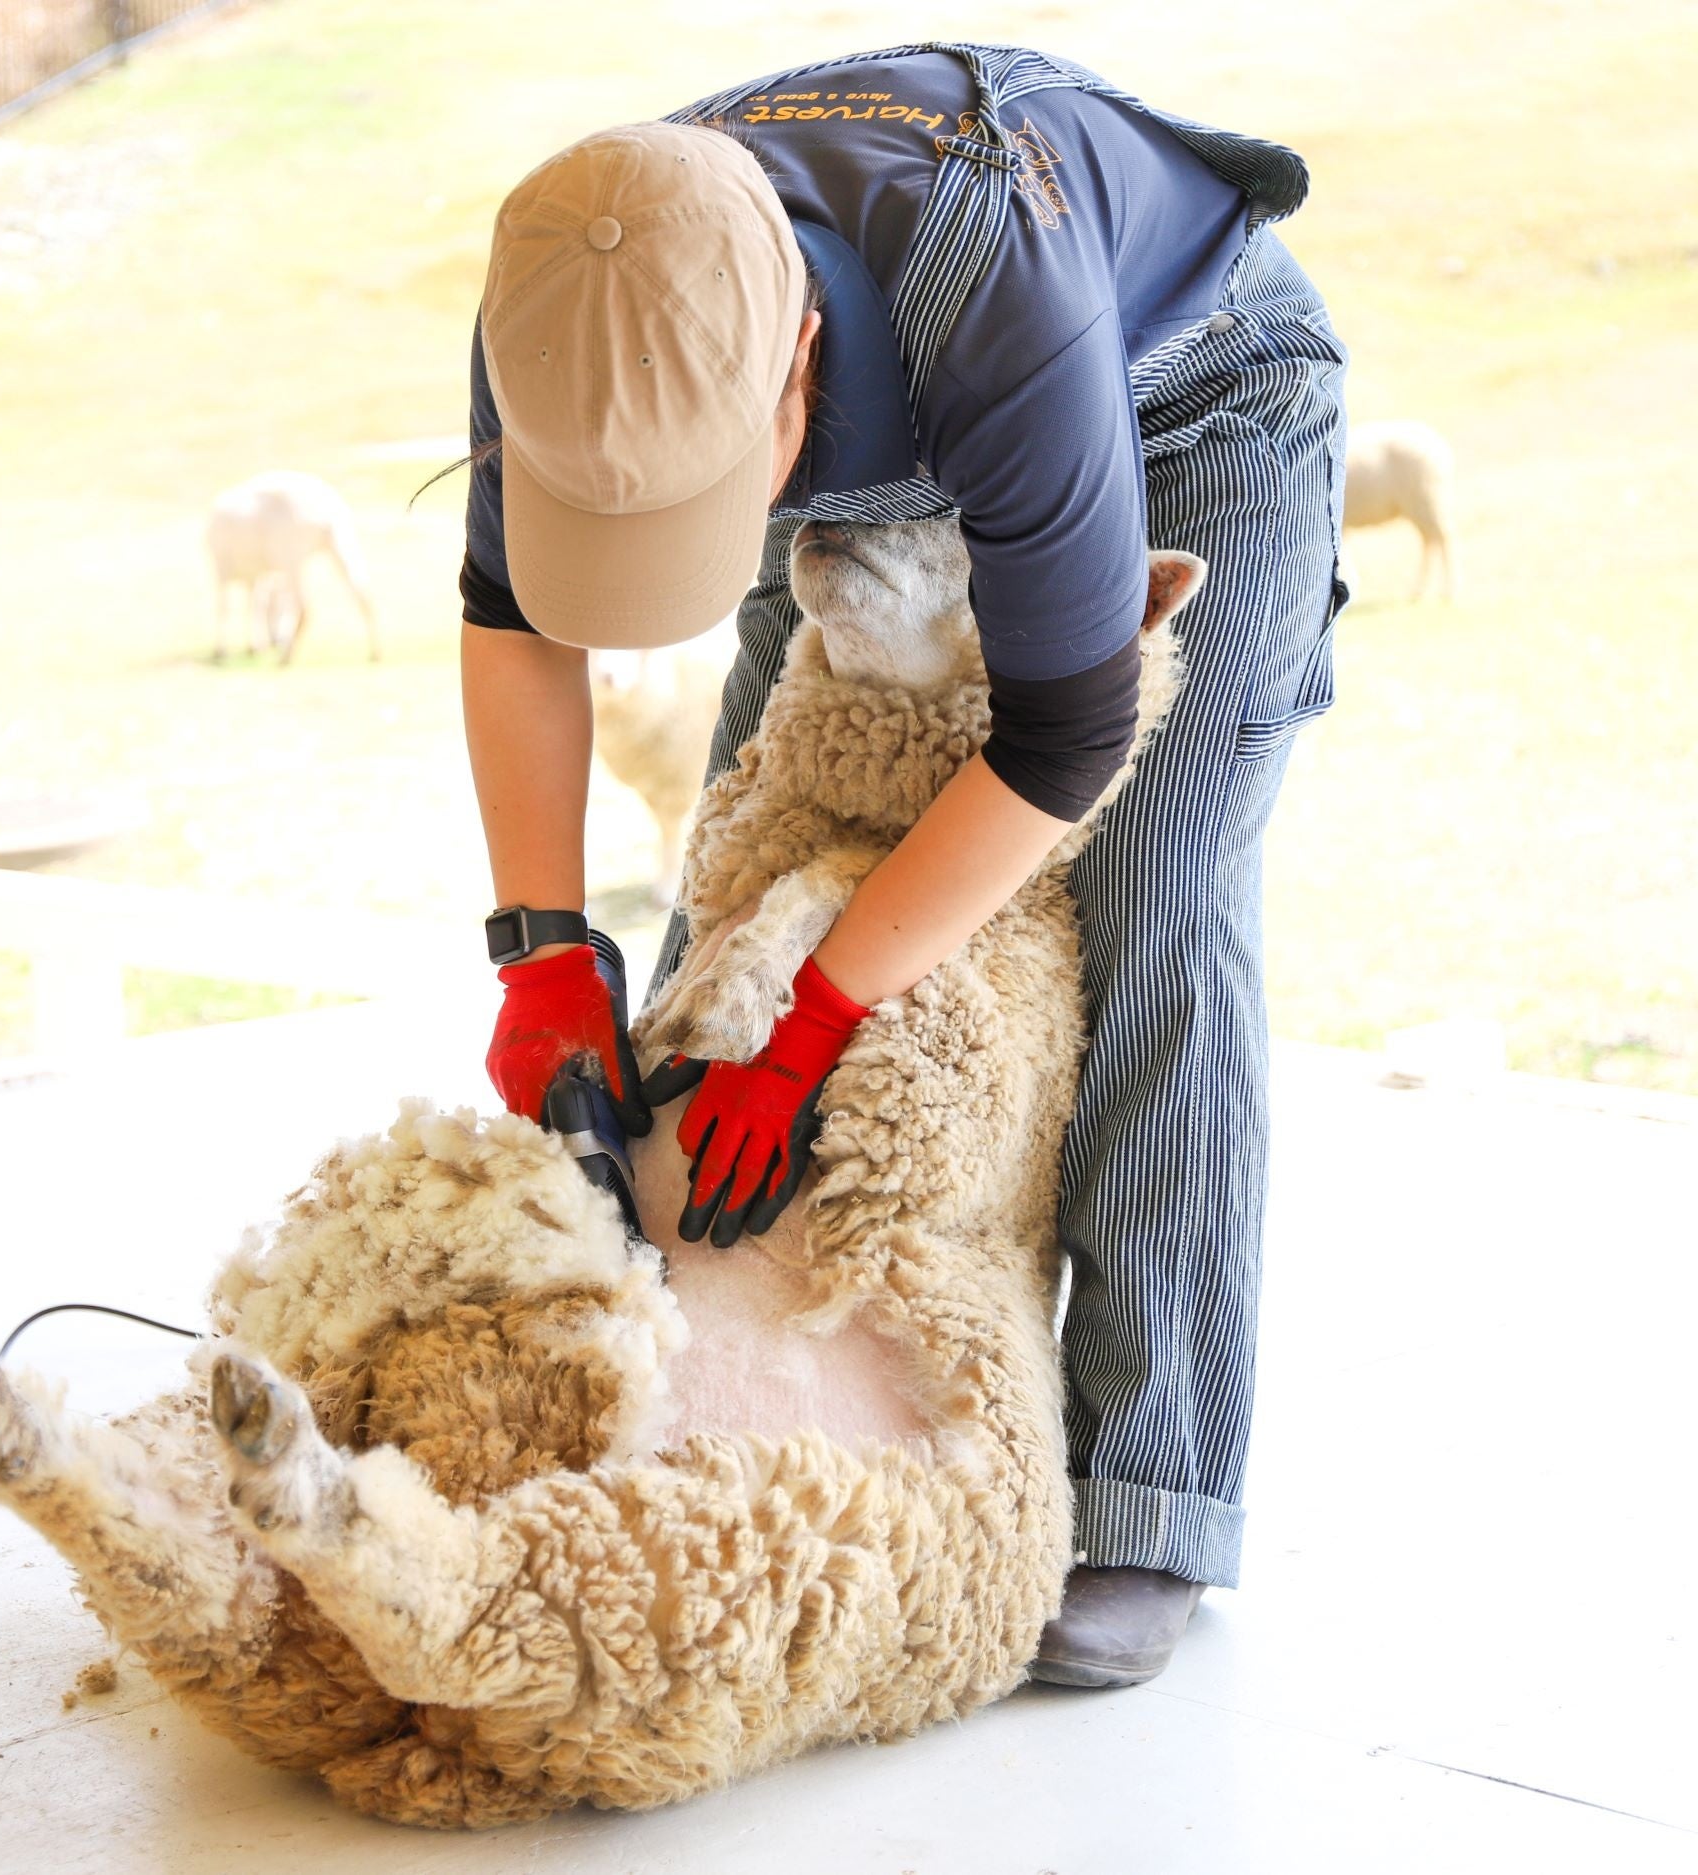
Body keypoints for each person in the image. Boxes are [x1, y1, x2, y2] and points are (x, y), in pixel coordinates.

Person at [457, 42, 1347, 1689]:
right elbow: (514, 623)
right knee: (742, 867)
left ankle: (1146, 1492)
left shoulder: (987, 274)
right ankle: (683, 1376)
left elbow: (1066, 741)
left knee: (1158, 892)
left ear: (795, 355)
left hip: (1181, 405)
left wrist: (817, 1021)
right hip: (856, 475)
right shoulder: (578, 281)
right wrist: (539, 957)